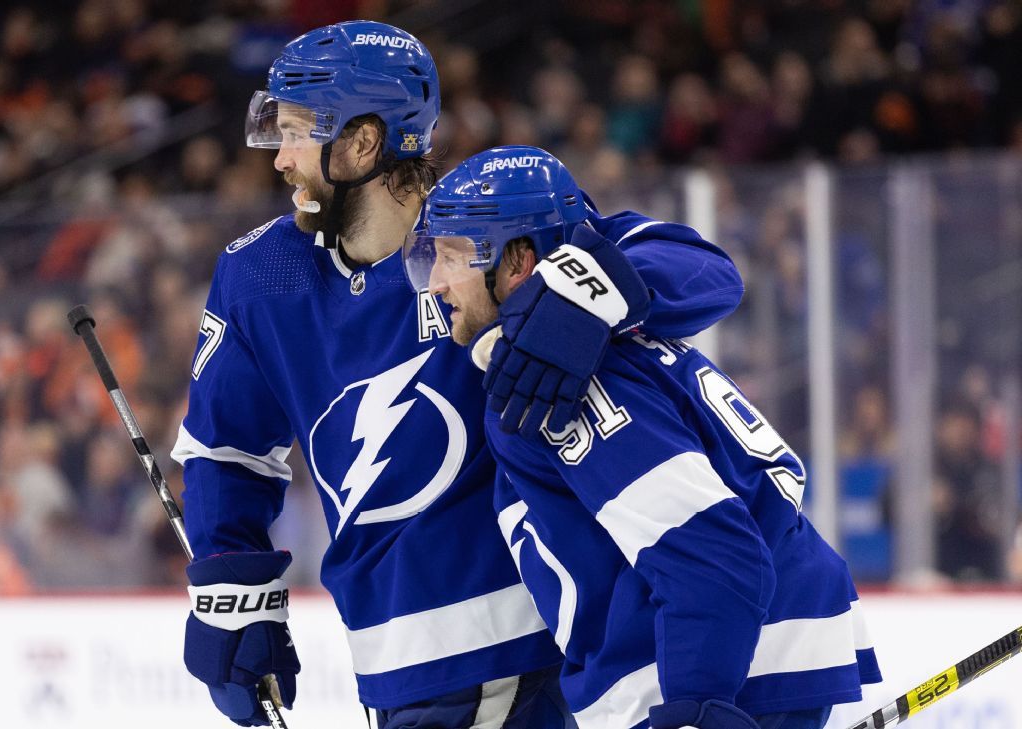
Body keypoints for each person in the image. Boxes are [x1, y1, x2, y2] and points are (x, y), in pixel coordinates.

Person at [172, 21, 744, 728]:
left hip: (520, 654)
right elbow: (225, 449)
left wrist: (583, 293)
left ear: (362, 142)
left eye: (297, 132)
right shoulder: (259, 275)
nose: (281, 158)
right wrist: (231, 591)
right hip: (393, 672)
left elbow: (705, 272)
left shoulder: (488, 227)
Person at [405, 146, 881, 729]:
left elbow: (713, 553)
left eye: (452, 256)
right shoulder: (596, 335)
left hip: (726, 675)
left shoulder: (560, 381)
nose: (435, 281)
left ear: (518, 263)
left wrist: (693, 705)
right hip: (749, 659)